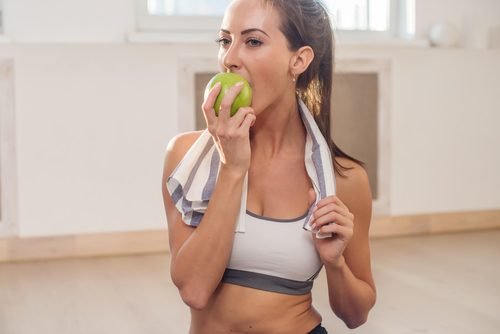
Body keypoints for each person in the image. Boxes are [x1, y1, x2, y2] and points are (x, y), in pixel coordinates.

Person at [161, 0, 376, 333]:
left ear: (299, 60)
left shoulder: (344, 180)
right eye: (225, 40)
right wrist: (232, 169)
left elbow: (356, 315)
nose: (229, 59)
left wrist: (335, 264)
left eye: (253, 41)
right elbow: (194, 289)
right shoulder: (186, 157)